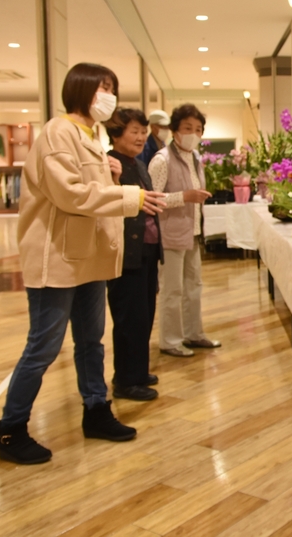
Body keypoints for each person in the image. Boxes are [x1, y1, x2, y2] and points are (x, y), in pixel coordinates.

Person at [0, 63, 165, 465]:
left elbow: (92, 193)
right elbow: (71, 194)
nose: (108, 96)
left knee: (92, 341)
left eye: (112, 89)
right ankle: (11, 429)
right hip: (57, 258)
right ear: (81, 89)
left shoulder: (92, 136)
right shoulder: (58, 132)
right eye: (102, 88)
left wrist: (114, 179)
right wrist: (130, 196)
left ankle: (96, 410)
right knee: (44, 347)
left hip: (88, 257)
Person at [148, 103, 220, 357]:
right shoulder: (162, 159)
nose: (193, 132)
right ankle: (170, 340)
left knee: (194, 286)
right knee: (172, 290)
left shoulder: (195, 158)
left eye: (198, 129)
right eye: (188, 127)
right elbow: (152, 199)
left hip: (192, 232)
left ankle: (194, 333)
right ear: (175, 130)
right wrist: (185, 196)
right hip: (170, 233)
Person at [105, 108, 162, 401]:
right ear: (116, 134)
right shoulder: (109, 165)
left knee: (145, 314)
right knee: (129, 317)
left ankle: (138, 372)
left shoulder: (139, 165)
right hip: (126, 253)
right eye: (134, 132)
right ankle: (125, 380)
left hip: (147, 251)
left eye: (143, 132)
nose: (141, 137)